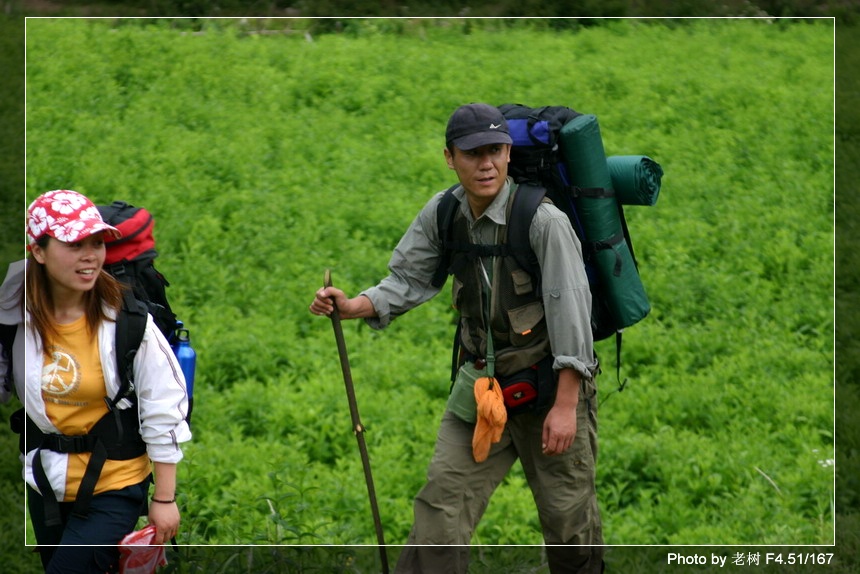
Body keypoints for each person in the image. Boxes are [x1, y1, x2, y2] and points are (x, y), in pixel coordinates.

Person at [310, 103, 604, 573]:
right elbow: (407, 279)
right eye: (472, 153)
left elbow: (572, 315)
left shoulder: (544, 222)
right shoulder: (445, 212)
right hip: (481, 390)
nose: (485, 163)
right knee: (438, 517)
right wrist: (352, 307)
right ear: (450, 157)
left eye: (495, 150)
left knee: (569, 526)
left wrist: (566, 407)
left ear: (508, 153)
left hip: (550, 391)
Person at [0, 189, 192, 573]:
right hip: (45, 483)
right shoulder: (14, 313)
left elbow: (164, 404)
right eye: (74, 244)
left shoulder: (127, 320)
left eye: (97, 242)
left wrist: (165, 499)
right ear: (37, 251)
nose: (90, 255)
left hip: (114, 483)